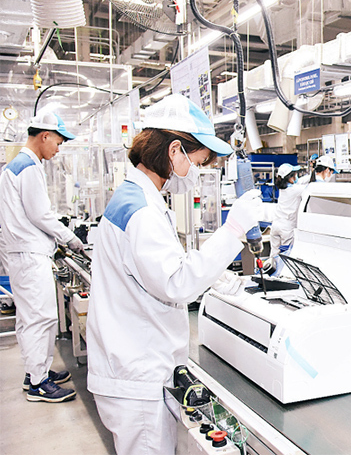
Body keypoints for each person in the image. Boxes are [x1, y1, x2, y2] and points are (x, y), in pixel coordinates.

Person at [86, 94, 265, 455]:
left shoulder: (137, 198)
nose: (196, 172)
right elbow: (176, 283)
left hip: (133, 363)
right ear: (174, 151)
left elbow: (153, 268)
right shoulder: (142, 210)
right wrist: (233, 231)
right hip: (138, 374)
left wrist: (215, 275)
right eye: (197, 161)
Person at [0, 111, 83, 403]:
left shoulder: (15, 166)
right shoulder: (28, 167)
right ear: (45, 136)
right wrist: (70, 238)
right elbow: (39, 214)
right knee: (41, 318)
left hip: (22, 253)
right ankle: (39, 384)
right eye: (57, 143)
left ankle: (35, 372)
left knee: (29, 318)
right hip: (29, 255)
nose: (58, 149)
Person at [268, 163, 303, 268]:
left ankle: (271, 276)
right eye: (295, 175)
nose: (297, 177)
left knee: (273, 257)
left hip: (275, 226)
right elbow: (310, 188)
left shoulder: (282, 189)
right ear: (290, 177)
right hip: (286, 229)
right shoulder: (295, 190)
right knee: (286, 257)